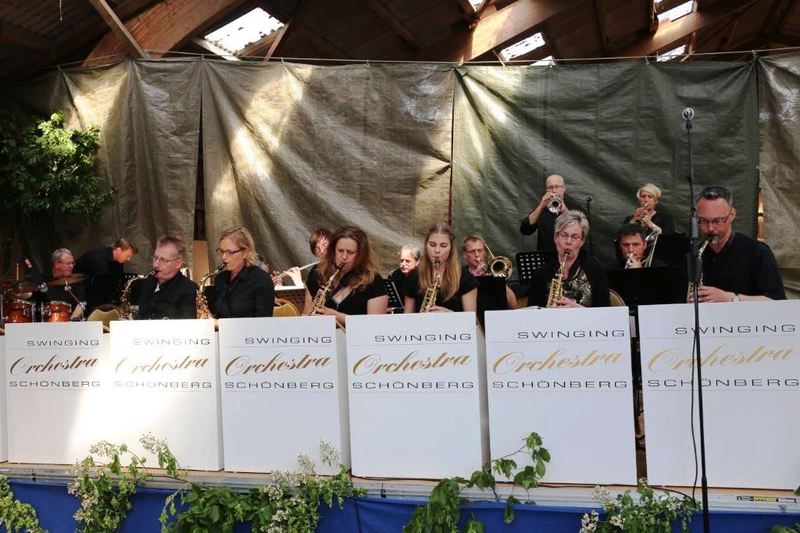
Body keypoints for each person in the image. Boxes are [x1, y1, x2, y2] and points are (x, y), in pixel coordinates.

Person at [692, 186, 785, 302]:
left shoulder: (758, 252)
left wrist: (731, 298)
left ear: (732, 215)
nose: (710, 228)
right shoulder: (694, 255)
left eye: (717, 221)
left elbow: (776, 302)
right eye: (703, 221)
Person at [303, 226, 388, 325]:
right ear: (333, 251)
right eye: (340, 251)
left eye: (350, 252)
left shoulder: (373, 280)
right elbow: (306, 314)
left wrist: (338, 317)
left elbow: (376, 325)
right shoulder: (317, 273)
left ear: (361, 255)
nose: (344, 257)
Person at [527, 210, 610, 308]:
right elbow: (532, 311)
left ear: (582, 241)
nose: (568, 241)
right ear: (555, 237)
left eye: (575, 237)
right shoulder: (541, 274)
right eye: (564, 235)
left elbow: (605, 312)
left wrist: (577, 309)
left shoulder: (595, 271)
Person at [403, 223, 478, 313]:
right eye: (432, 245)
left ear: (451, 249)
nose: (437, 250)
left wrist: (451, 315)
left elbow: (471, 319)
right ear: (426, 246)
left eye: (443, 246)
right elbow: (407, 318)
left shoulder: (465, 277)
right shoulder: (413, 276)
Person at [213, 227, 275, 318]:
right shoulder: (220, 279)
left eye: (229, 252)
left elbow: (263, 320)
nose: (223, 257)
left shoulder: (261, 280)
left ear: (245, 252)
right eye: (221, 251)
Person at [135, 235, 198, 319]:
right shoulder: (147, 283)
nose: (156, 265)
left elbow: (187, 323)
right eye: (155, 258)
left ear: (178, 263)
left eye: (163, 260)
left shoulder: (189, 289)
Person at [74, 237, 137, 313]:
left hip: (95, 294)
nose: (129, 259)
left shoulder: (118, 262)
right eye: (127, 256)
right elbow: (99, 288)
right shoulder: (99, 260)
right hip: (80, 293)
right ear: (118, 250)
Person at [462, 235, 516, 309]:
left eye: (480, 250)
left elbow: (513, 305)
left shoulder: (495, 272)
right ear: (464, 255)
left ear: (485, 253)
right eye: (472, 251)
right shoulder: (462, 274)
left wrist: (499, 279)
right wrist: (473, 277)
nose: (477, 255)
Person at [520, 174, 570, 251]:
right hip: (546, 256)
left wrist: (565, 211)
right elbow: (525, 230)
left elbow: (581, 231)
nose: (554, 190)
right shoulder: (542, 210)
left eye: (557, 187)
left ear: (564, 188)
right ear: (546, 190)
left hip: (569, 255)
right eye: (550, 187)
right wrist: (541, 206)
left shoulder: (573, 208)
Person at [38, 248, 86, 320]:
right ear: (57, 264)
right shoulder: (41, 279)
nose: (72, 266)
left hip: (69, 323)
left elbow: (81, 303)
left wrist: (72, 320)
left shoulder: (76, 281)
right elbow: (28, 295)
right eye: (68, 263)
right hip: (43, 323)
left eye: (72, 263)